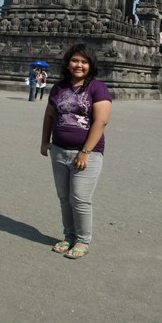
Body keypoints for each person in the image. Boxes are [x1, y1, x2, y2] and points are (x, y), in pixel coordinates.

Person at [40, 43, 112, 259]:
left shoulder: (98, 88)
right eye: (74, 60)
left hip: (87, 153)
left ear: (90, 65)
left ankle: (82, 240)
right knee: (64, 197)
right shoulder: (59, 87)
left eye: (83, 61)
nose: (78, 65)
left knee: (80, 197)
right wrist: (45, 141)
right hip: (59, 150)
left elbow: (101, 121)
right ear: (67, 63)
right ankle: (69, 236)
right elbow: (50, 116)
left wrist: (85, 151)